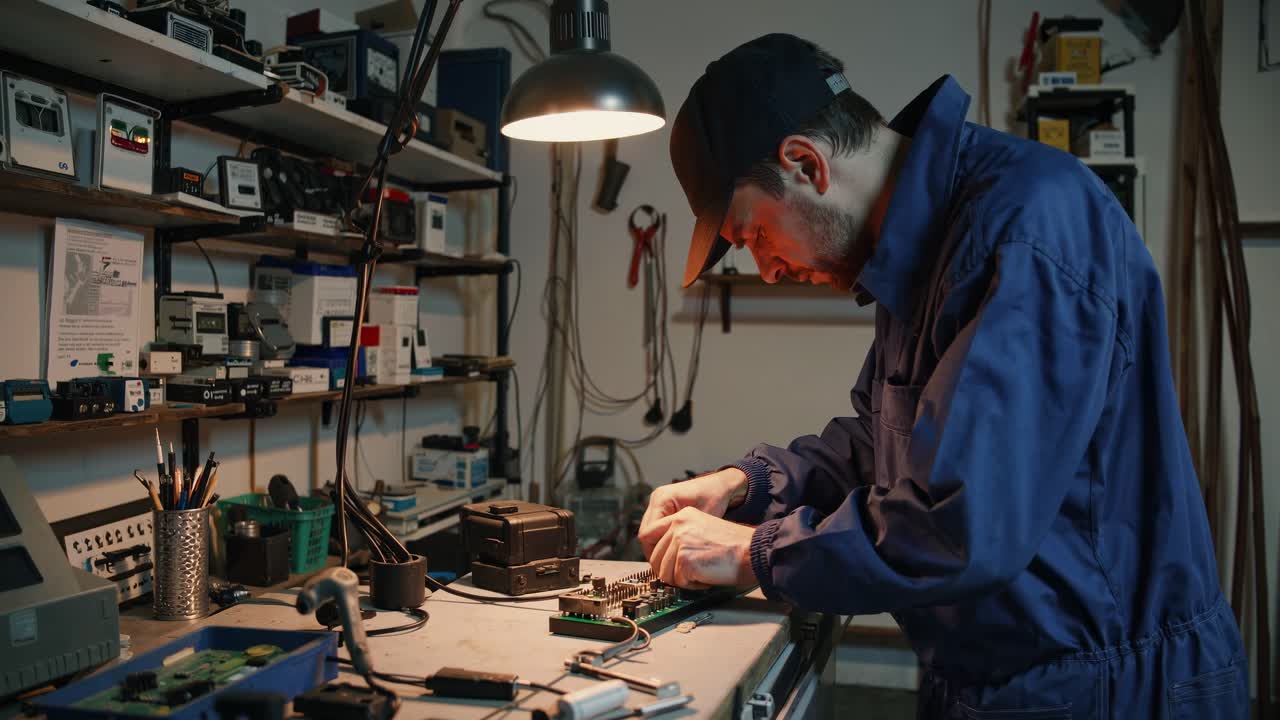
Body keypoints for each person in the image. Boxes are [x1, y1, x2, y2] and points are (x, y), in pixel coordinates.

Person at [638, 33, 1247, 719]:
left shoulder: (1024, 226)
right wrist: (747, 484)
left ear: (805, 164)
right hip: (1001, 678)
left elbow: (960, 522)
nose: (766, 269)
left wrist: (760, 552)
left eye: (753, 235)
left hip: (1107, 687)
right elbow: (887, 447)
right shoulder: (918, 251)